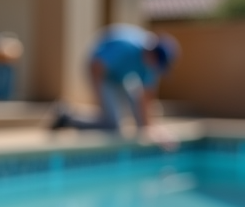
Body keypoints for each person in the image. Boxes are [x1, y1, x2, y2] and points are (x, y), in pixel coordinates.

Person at [50, 25, 179, 149]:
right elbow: (97, 67)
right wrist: (101, 100)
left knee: (139, 120)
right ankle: (67, 118)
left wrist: (153, 131)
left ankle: (71, 118)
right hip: (100, 72)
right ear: (153, 54)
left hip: (119, 77)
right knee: (113, 125)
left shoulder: (150, 66)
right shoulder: (128, 46)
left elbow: (145, 99)